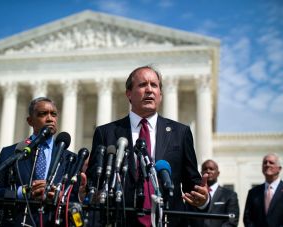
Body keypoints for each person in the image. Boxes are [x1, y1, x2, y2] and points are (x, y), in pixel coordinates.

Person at [86, 65, 209, 227]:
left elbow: (191, 187)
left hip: (168, 221)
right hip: (120, 221)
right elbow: (94, 183)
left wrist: (203, 201)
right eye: (143, 85)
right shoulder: (106, 133)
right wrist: (87, 192)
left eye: (154, 85)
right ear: (129, 94)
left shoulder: (180, 133)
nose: (149, 90)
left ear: (160, 95)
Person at [0, 97, 86, 227]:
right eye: (43, 114)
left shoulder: (71, 159)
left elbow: (76, 202)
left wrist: (62, 196)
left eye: (53, 114)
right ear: (30, 121)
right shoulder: (11, 153)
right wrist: (21, 192)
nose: (50, 119)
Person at [189, 159, 239, 227]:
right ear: (201, 173)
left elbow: (232, 220)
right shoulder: (194, 194)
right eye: (205, 169)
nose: (208, 171)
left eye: (211, 169)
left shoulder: (230, 195)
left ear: (218, 173)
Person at [243, 153, 283, 227]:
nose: (267, 165)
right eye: (265, 163)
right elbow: (247, 217)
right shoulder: (253, 192)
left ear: (279, 169)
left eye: (271, 163)